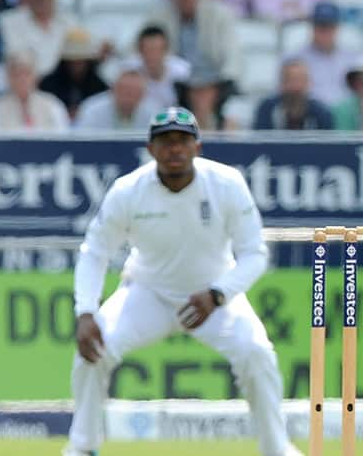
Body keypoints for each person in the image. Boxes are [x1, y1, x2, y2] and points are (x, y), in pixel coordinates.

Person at [62, 107, 302, 456]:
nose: (174, 149)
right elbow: (95, 251)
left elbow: (255, 254)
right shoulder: (128, 190)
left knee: (256, 354)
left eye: (182, 141)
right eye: (165, 141)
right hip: (147, 293)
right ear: (151, 149)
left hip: (214, 295)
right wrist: (85, 312)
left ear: (197, 148)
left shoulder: (226, 183)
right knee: (92, 352)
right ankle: (82, 447)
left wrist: (218, 295)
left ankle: (276, 448)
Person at [146, 0, 240, 85]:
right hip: (174, 84)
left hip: (213, 83)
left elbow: (232, 55)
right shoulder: (159, 17)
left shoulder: (219, 16)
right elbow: (140, 49)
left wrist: (225, 84)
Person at [0, 0, 78, 77]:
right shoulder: (8, 21)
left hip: (63, 84)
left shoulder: (70, 21)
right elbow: (15, 58)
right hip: (25, 83)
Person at [286, 0, 358, 107]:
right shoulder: (294, 59)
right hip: (311, 115)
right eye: (321, 26)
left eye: (330, 26)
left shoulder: (352, 59)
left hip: (342, 115)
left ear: (337, 28)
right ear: (312, 27)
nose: (325, 32)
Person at [38, 26, 109, 120]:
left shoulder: (100, 86)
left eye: (81, 60)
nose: (76, 65)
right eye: (72, 60)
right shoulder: (47, 85)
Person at [0, 49, 69, 131]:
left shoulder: (53, 105)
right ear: (8, 77)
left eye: (27, 73)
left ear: (36, 76)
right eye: (16, 74)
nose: (22, 79)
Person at [253, 59, 334, 130]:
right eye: (290, 80)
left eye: (301, 80)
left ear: (309, 83)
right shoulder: (267, 109)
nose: (296, 86)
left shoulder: (322, 113)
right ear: (281, 83)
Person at [124, 24, 191, 109]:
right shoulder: (128, 71)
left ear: (166, 50)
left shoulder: (183, 72)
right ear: (139, 51)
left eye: (156, 50)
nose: (152, 56)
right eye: (147, 50)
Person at [73, 65, 155, 131]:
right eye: (124, 90)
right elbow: (82, 142)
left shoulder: (153, 112)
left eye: (134, 92)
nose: (128, 97)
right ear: (113, 90)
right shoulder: (92, 109)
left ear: (143, 95)